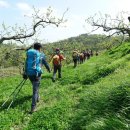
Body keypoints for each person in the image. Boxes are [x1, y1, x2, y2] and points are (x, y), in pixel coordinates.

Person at [23, 42, 51, 113]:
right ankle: (33, 108)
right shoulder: (41, 55)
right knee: (35, 90)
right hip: (37, 74)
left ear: (33, 47)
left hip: (29, 73)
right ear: (40, 48)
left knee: (35, 86)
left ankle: (38, 97)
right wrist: (48, 69)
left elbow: (26, 62)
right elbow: (45, 63)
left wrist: (25, 72)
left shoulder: (29, 53)